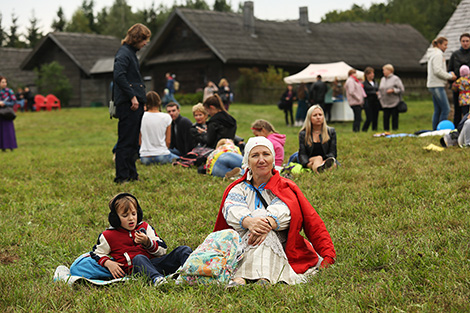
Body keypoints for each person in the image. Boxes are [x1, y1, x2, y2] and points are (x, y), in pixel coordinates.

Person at [214, 136, 336, 286]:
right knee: (259, 226)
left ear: (273, 159)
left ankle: (242, 278)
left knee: (265, 230)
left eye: (266, 154)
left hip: (280, 243)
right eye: (255, 155)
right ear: (247, 162)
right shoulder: (238, 189)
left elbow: (290, 212)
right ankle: (263, 278)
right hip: (243, 241)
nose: (261, 160)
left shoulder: (285, 187)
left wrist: (266, 223)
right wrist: (250, 222)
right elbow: (232, 209)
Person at [90, 193, 192, 285]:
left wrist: (148, 243)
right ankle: (157, 280)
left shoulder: (144, 227)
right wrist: (108, 263)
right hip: (136, 270)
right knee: (139, 258)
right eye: (125, 216)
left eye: (134, 214)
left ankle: (190, 273)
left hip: (156, 263)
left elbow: (163, 250)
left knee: (183, 249)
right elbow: (96, 253)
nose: (131, 218)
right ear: (115, 219)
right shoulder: (108, 236)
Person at [113, 23, 151, 183]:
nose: (146, 43)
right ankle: (122, 176)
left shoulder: (130, 53)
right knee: (126, 140)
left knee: (133, 140)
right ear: (136, 38)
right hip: (129, 105)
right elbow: (119, 76)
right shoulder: (124, 54)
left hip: (134, 104)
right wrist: (132, 97)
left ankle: (131, 174)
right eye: (144, 40)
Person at [139, 91, 179, 165]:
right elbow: (168, 141)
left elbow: (139, 140)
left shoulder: (141, 116)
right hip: (162, 155)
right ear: (159, 102)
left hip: (145, 157)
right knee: (180, 158)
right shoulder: (166, 117)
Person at [427, 37, 457, 130]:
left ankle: (435, 130)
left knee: (438, 110)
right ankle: (440, 130)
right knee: (446, 109)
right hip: (437, 85)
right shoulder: (438, 55)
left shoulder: (434, 54)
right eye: (445, 45)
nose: (446, 47)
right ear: (439, 45)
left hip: (434, 84)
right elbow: (437, 71)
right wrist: (450, 76)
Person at [298, 105, 337, 173]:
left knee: (333, 165)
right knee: (318, 158)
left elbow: (333, 152)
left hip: (326, 159)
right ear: (309, 118)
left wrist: (324, 162)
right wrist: (307, 164)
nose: (318, 117)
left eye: (320, 115)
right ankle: (320, 171)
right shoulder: (303, 134)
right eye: (315, 115)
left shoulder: (331, 132)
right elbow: (302, 154)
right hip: (310, 160)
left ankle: (320, 168)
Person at [448, 33, 470, 127]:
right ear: (460, 42)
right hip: (458, 87)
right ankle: (456, 129)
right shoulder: (455, 55)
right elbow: (450, 70)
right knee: (457, 110)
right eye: (463, 41)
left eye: (467, 41)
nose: (465, 43)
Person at [378, 64, 405, 131]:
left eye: (384, 70)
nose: (383, 72)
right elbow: (380, 89)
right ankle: (386, 131)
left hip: (394, 102)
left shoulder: (396, 79)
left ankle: (395, 130)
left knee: (394, 117)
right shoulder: (383, 79)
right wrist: (379, 97)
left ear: (389, 70)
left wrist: (393, 90)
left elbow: (402, 89)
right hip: (384, 102)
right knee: (385, 117)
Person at [0, 76, 18, 151]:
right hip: (0, 114)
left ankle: (11, 146)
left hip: (7, 113)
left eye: (5, 82)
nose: (4, 84)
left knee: (9, 129)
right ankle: (2, 147)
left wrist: (5, 103)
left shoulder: (9, 91)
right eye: (3, 82)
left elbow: (14, 102)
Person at [362, 67, 381, 131]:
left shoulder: (375, 83)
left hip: (375, 102)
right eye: (371, 73)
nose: (373, 74)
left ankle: (374, 129)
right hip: (368, 102)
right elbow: (364, 92)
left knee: (375, 117)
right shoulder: (364, 83)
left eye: (373, 73)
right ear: (367, 75)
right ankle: (364, 129)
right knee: (369, 117)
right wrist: (374, 93)